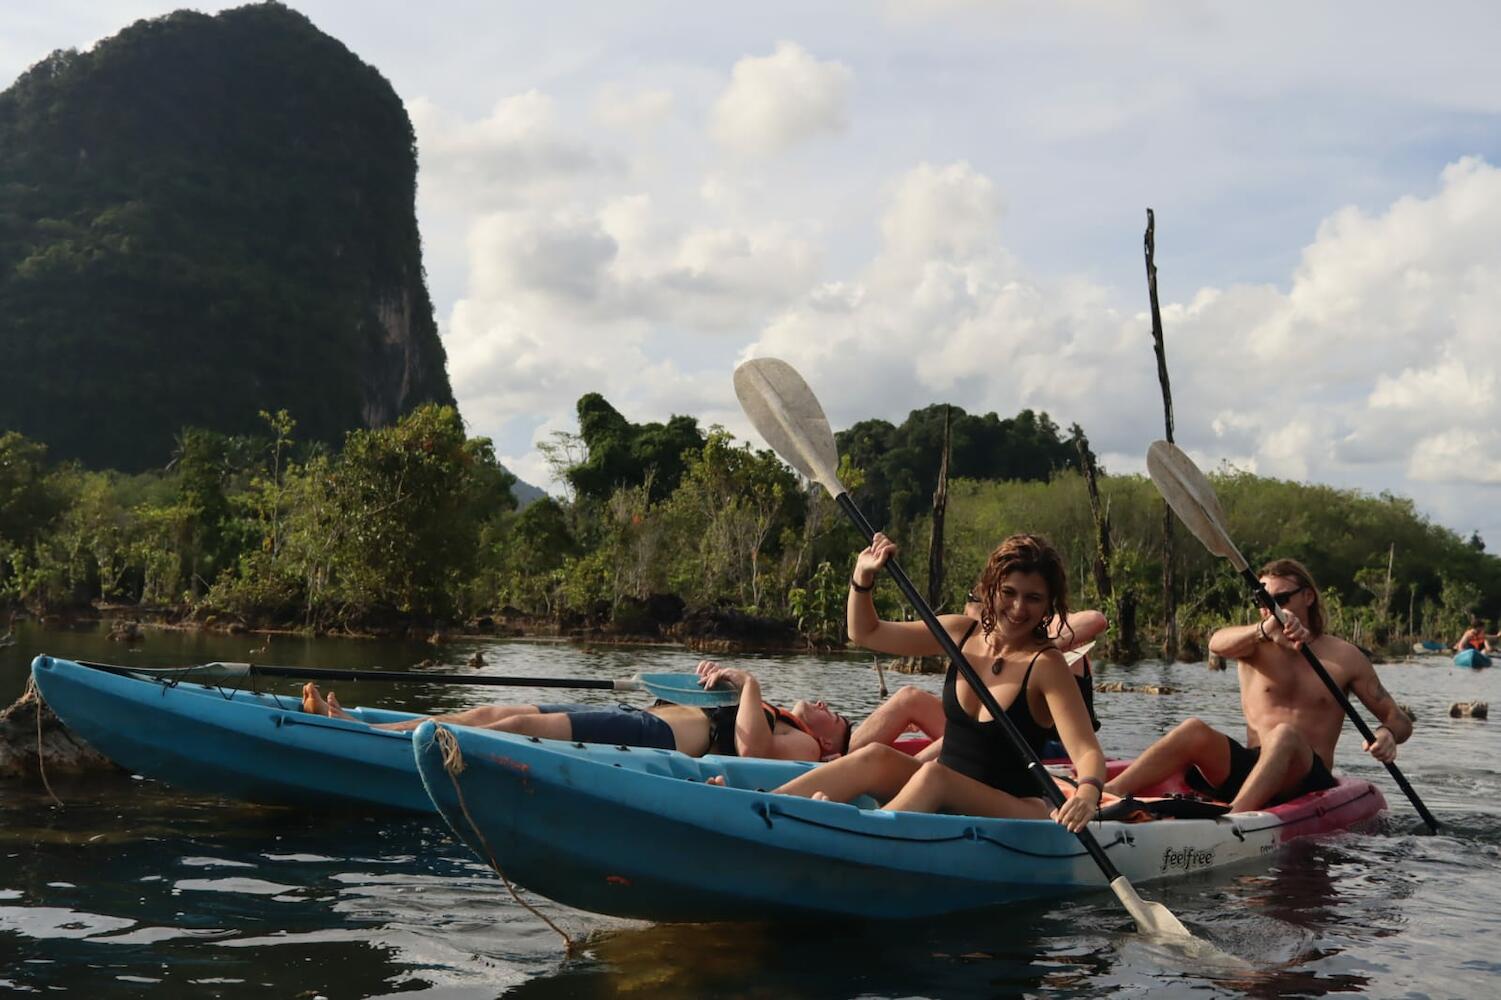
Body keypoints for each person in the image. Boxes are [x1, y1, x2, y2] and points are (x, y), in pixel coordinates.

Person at [761, 532, 1107, 833]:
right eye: (1009, 592)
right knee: (877, 755)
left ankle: (859, 835)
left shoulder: (1047, 664)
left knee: (933, 776)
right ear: (990, 590)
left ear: (1049, 604)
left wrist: (1088, 794)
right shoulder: (960, 632)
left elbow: (1087, 750)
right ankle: (762, 809)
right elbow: (865, 632)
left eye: (1033, 598)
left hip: (1015, 805)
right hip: (945, 787)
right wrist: (862, 577)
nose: (1018, 608)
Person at [1103, 558, 1413, 813]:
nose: (1270, 608)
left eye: (1279, 600)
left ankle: (1235, 818)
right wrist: (1263, 630)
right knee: (1193, 728)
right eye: (1262, 600)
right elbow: (1216, 642)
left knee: (1285, 735)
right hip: (1253, 768)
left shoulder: (1345, 656)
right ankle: (1108, 794)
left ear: (1308, 597)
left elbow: (1398, 720)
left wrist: (1387, 735)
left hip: (1305, 776)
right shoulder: (1252, 644)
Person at [302, 659, 852, 762]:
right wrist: (703, 682)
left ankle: (366, 737)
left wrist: (749, 681)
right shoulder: (778, 713)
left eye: (837, 717)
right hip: (639, 715)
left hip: (653, 736)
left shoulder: (804, 746)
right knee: (496, 708)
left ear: (829, 742)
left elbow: (753, 748)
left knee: (515, 728)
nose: (826, 706)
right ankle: (369, 727)